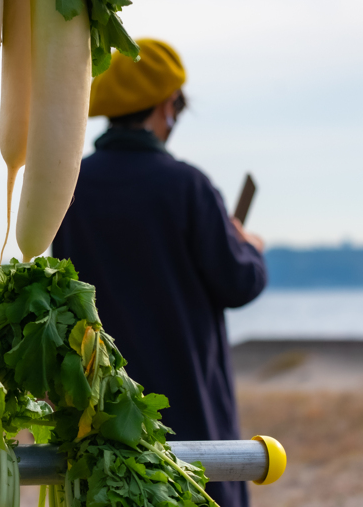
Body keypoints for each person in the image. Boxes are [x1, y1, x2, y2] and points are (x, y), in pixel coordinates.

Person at [52, 39, 268, 507]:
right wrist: (248, 249)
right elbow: (237, 281)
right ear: (168, 105)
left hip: (106, 423)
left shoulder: (71, 187)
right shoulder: (186, 186)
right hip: (192, 415)